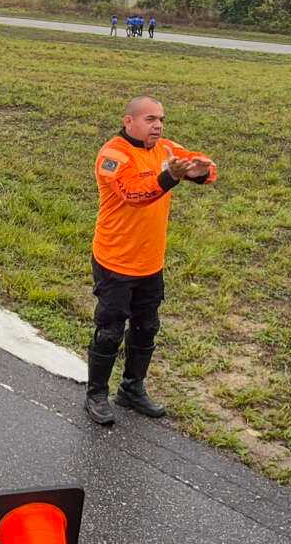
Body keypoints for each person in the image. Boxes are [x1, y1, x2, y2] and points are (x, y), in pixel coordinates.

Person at [84, 95, 217, 425]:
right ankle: (96, 393)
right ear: (129, 121)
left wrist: (200, 171)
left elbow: (204, 166)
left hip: (150, 260)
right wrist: (170, 177)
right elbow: (134, 194)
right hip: (115, 259)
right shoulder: (113, 155)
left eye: (161, 119)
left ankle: (131, 389)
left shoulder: (166, 148)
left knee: (147, 327)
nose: (157, 125)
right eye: (150, 119)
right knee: (110, 329)